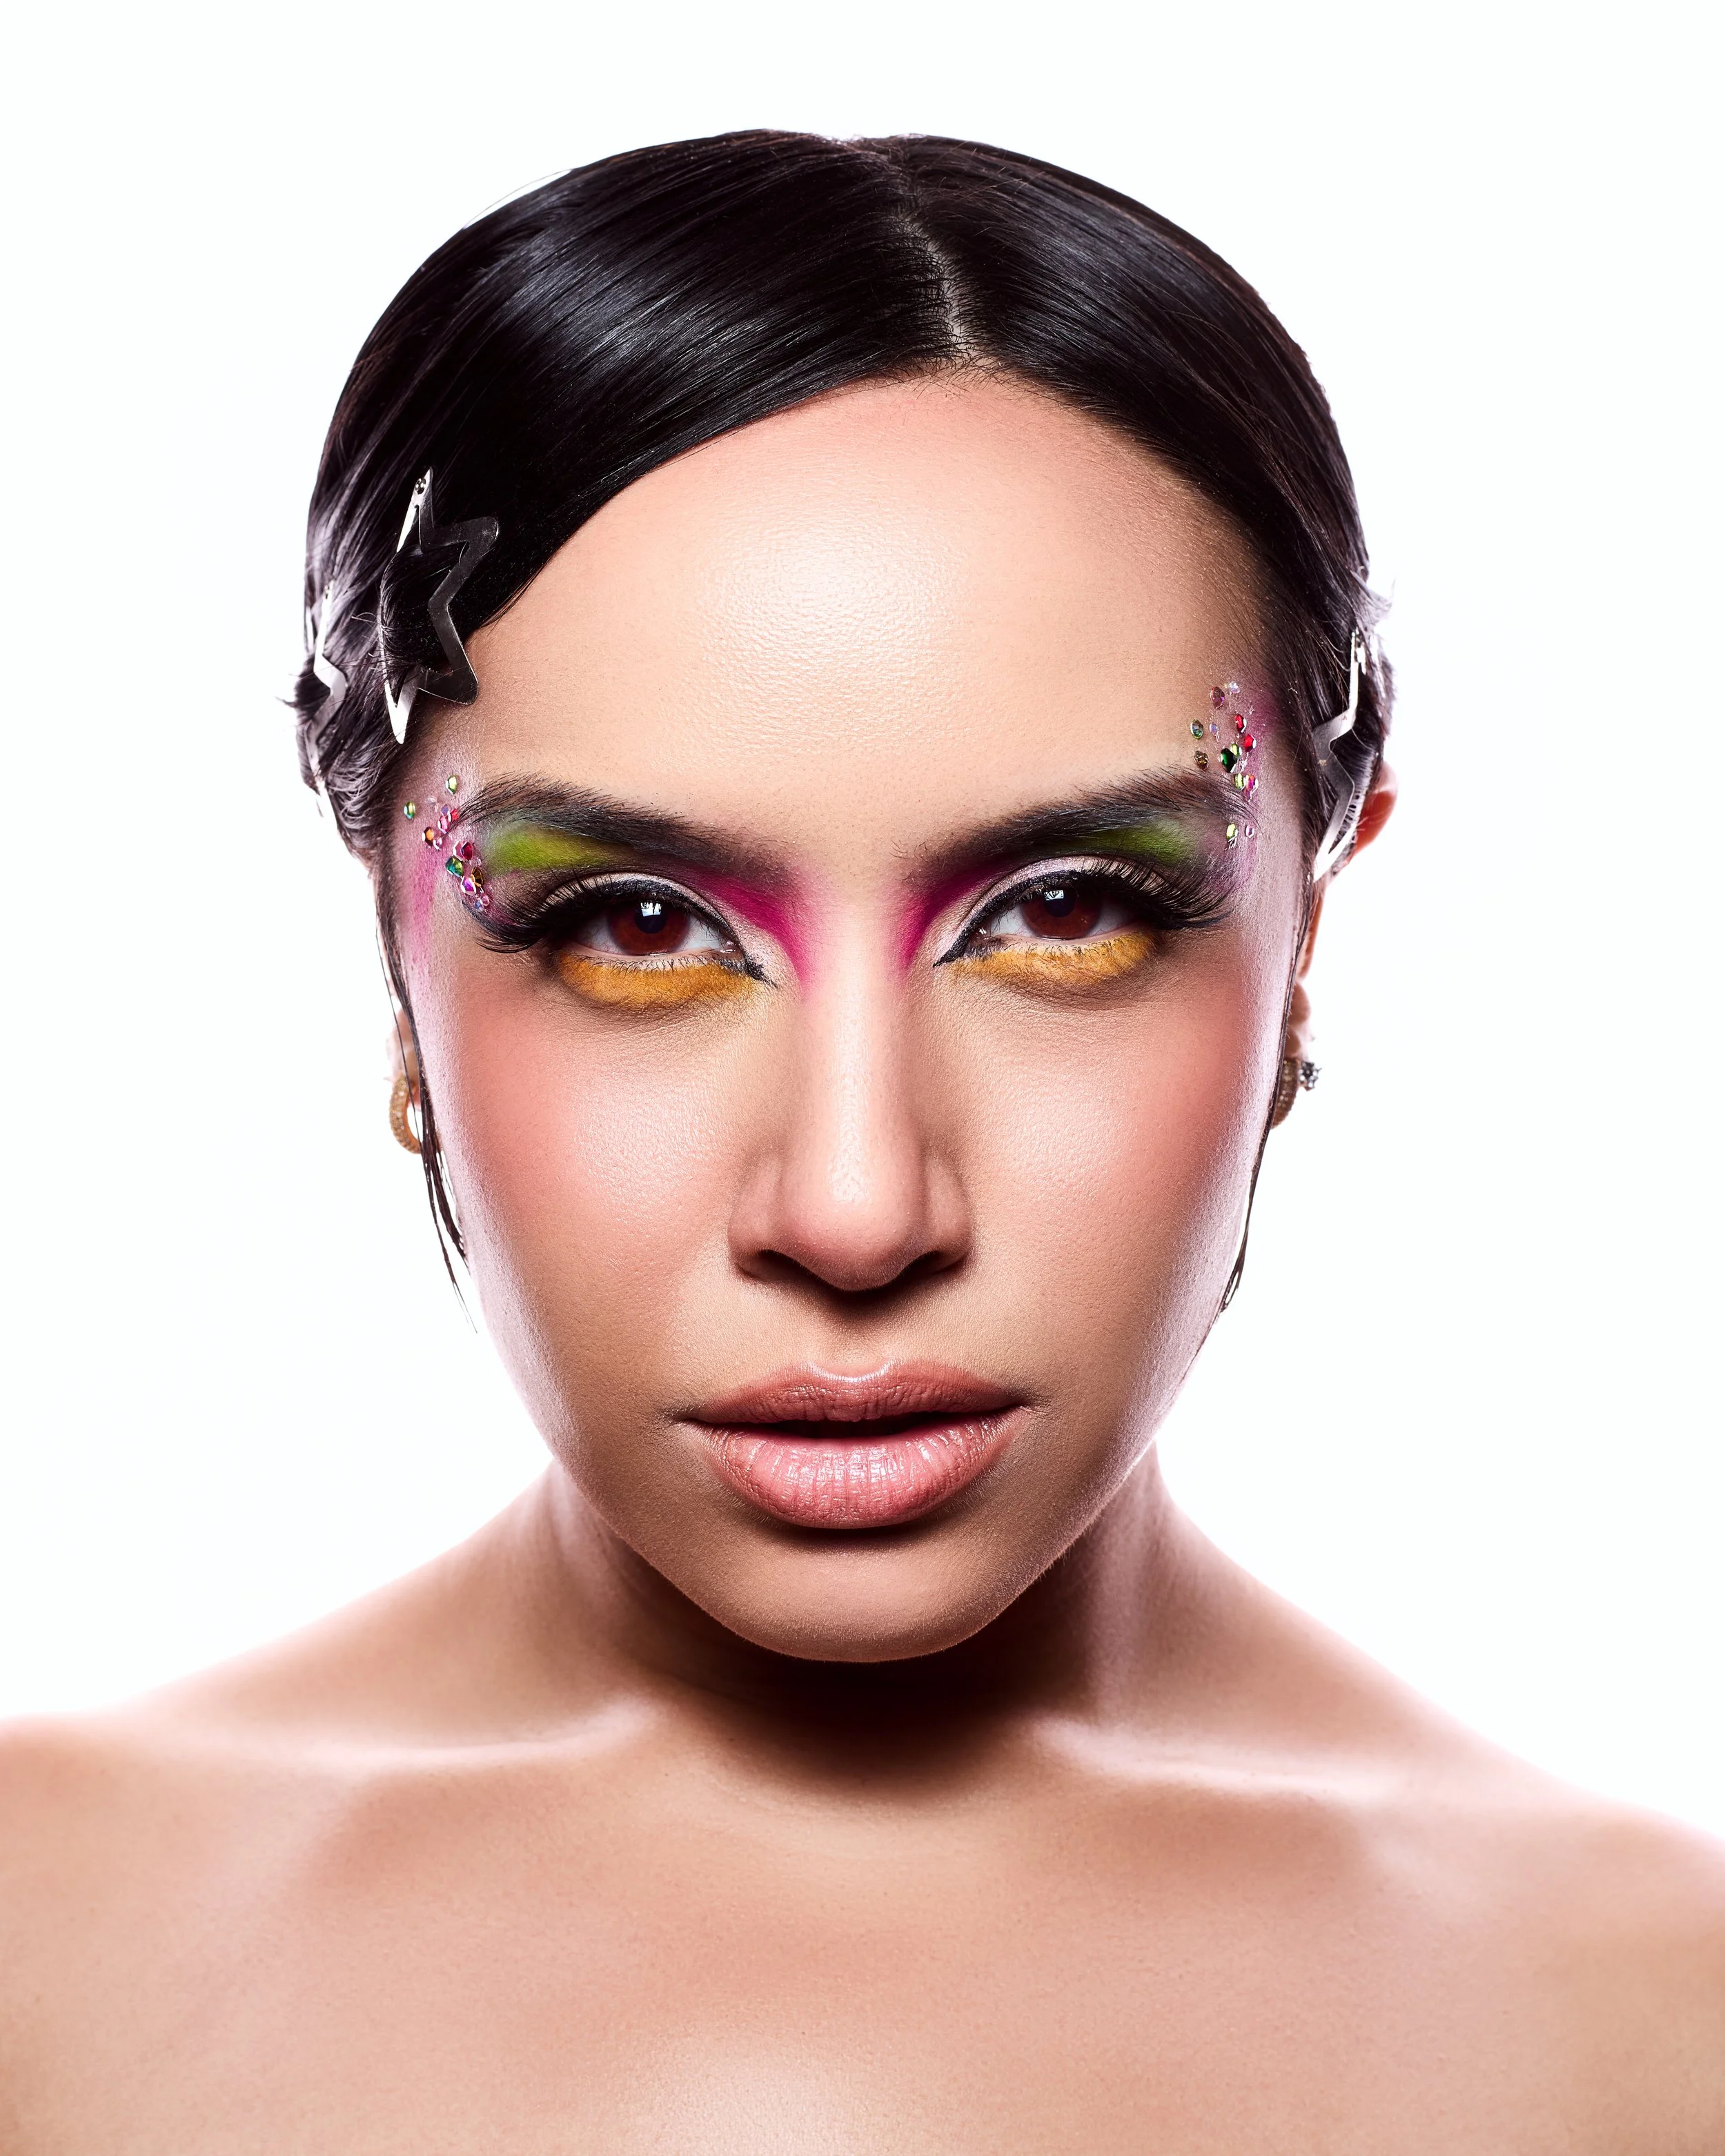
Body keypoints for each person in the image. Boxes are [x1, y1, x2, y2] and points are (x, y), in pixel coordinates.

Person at [2, 131, 1720, 2151]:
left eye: (1065, 912)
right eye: (636, 928)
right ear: (399, 953)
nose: (853, 1207)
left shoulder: (1656, 2026)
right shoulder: (43, 1952)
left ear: (1304, 935)